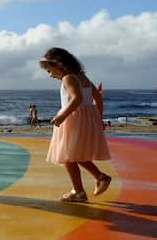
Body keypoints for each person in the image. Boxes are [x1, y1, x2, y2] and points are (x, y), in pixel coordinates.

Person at [41, 47, 112, 203]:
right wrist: (98, 120)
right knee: (76, 154)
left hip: (72, 120)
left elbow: (77, 98)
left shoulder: (68, 78)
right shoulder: (83, 78)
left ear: (59, 65)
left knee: (68, 156)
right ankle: (100, 177)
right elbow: (98, 99)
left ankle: (78, 191)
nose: (49, 74)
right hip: (87, 120)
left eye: (49, 69)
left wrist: (61, 116)